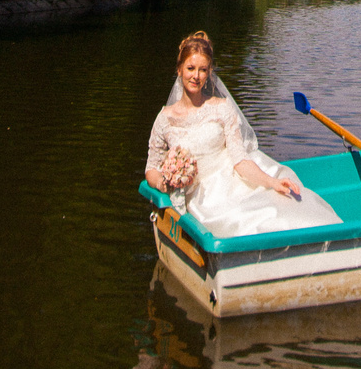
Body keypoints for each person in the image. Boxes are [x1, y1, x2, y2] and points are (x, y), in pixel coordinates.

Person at [144, 30, 342, 237]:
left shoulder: (221, 108)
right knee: (242, 221)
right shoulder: (165, 119)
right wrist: (164, 182)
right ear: (179, 70)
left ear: (209, 73)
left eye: (202, 70)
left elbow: (240, 160)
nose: (196, 76)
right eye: (190, 68)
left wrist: (272, 182)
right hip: (202, 197)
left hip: (232, 182)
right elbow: (151, 168)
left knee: (277, 208)